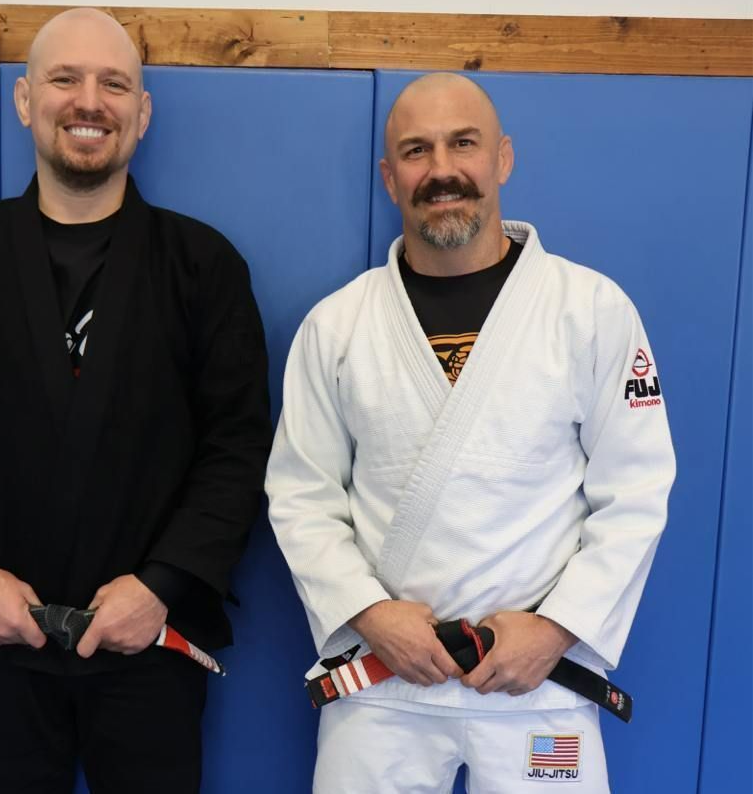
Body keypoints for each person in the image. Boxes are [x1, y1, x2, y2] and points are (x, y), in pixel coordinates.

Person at [0, 8, 271, 794]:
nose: (89, 101)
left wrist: (160, 586)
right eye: (65, 79)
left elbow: (237, 447)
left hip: (151, 640)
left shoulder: (201, 264)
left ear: (141, 113)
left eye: (113, 84)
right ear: (25, 100)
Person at [265, 73, 674, 792]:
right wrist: (371, 614)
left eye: (463, 144)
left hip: (538, 678)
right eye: (416, 151)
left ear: (502, 158)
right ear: (389, 177)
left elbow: (635, 493)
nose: (441, 169)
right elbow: (302, 497)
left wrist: (555, 630)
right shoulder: (337, 325)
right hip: (383, 676)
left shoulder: (590, 310)